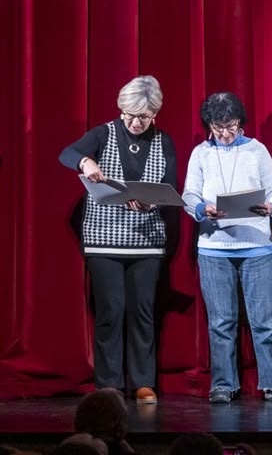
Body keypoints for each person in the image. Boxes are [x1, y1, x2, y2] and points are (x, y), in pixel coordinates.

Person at [59, 75, 177, 405]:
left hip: (147, 240)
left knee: (142, 311)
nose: (137, 122)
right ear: (121, 110)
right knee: (111, 310)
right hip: (104, 239)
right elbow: (67, 153)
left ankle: (142, 382)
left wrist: (152, 201)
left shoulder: (163, 141)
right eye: (131, 115)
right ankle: (108, 385)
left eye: (145, 116)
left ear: (155, 113)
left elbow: (170, 186)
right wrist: (86, 160)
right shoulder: (103, 133)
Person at [182, 92, 272, 404]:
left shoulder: (256, 150)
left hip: (256, 246)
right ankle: (223, 384)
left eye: (231, 126)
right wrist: (201, 209)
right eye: (218, 127)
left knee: (264, 322)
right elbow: (189, 194)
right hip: (213, 247)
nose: (224, 133)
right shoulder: (201, 154)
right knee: (221, 323)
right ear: (209, 124)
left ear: (241, 123)